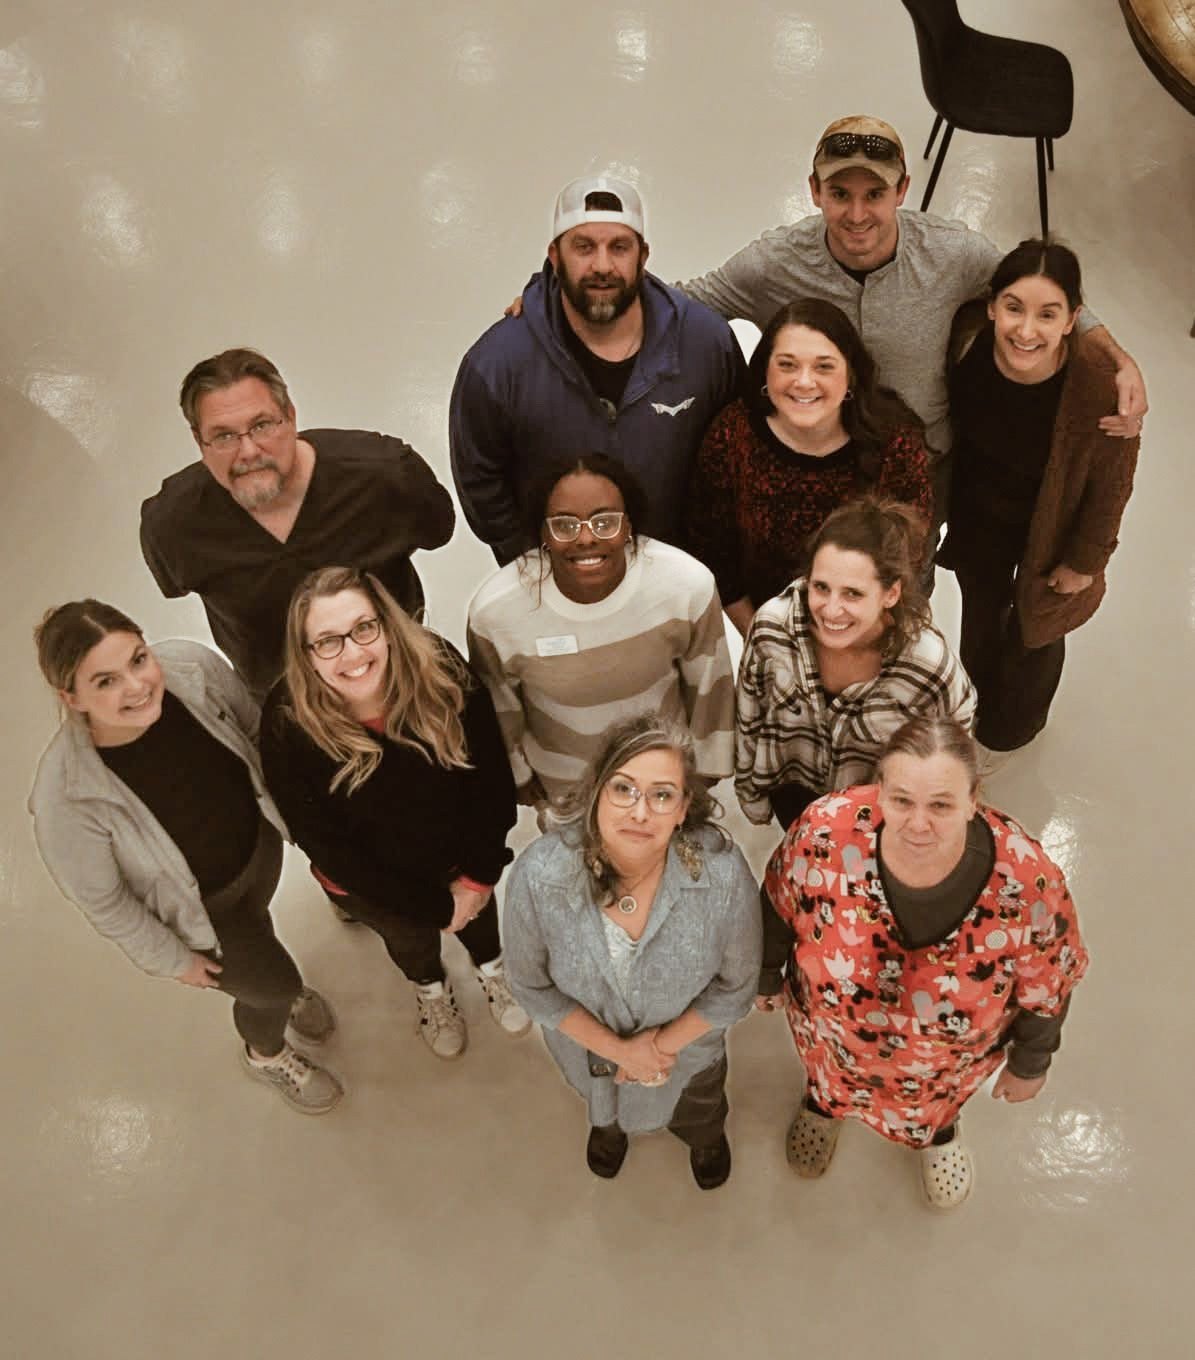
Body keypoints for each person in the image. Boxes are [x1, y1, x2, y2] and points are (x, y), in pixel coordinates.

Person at [758, 715, 1088, 1209]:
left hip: (944, 1069)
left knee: (937, 1106)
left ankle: (939, 1134)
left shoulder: (1027, 881)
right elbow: (778, 903)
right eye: (902, 800)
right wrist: (765, 974)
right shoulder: (824, 833)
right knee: (827, 1078)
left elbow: (1049, 984)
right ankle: (824, 1105)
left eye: (941, 805)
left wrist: (1031, 1063)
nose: (918, 823)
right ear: (879, 788)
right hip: (833, 1042)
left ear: (974, 799)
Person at [28, 601, 343, 1115]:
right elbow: (106, 903)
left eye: (137, 659)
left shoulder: (193, 670)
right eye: (104, 682)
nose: (136, 686)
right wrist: (172, 960)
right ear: (71, 697)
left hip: (255, 855)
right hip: (200, 912)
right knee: (271, 987)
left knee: (258, 926)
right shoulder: (65, 799)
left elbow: (257, 736)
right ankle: (266, 1050)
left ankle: (273, 978)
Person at [679, 114, 1146, 458]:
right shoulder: (774, 262)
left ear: (902, 190)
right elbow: (687, 303)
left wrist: (1116, 358)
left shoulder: (952, 253)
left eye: (875, 195)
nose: (857, 216)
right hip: (817, 461)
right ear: (814, 190)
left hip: (927, 459)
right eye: (840, 194)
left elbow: (1040, 293)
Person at [259, 566, 528, 1061]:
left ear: (386, 624)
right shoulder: (286, 721)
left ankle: (492, 969)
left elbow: (490, 777)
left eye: (364, 628)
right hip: (372, 885)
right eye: (328, 641)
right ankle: (431, 991)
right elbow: (323, 842)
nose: (354, 654)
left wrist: (478, 875)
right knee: (411, 946)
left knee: (481, 923)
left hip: (457, 858)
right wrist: (431, 909)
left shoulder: (440, 668)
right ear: (305, 655)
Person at [503, 716, 761, 1189]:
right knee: (603, 1103)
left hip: (690, 1053)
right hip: (590, 1054)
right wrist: (619, 1051)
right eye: (624, 789)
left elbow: (736, 990)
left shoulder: (722, 875)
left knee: (700, 1107)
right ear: (597, 791)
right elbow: (530, 986)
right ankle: (608, 1130)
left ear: (684, 808)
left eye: (662, 795)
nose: (641, 812)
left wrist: (655, 1052)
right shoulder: (539, 876)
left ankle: (704, 1139)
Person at [450, 174, 743, 565]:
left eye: (619, 247)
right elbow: (481, 482)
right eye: (584, 247)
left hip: (678, 578)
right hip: (557, 582)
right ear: (555, 257)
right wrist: (533, 564)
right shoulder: (496, 365)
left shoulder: (706, 343)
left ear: (643, 256)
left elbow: (739, 450)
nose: (602, 265)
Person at [141, 347, 455, 701]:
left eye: (261, 426)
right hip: (284, 711)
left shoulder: (386, 476)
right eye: (225, 436)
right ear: (199, 441)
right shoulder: (173, 523)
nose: (248, 452)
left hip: (405, 685)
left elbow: (438, 530)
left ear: (290, 417)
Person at [939, 239, 1140, 765]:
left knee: (1037, 630)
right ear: (991, 307)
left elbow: (1112, 487)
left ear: (1073, 319)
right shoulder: (967, 347)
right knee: (981, 618)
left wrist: (1085, 562)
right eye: (1014, 308)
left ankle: (1016, 724)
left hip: (1049, 535)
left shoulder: (1098, 389)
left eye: (1047, 314)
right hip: (979, 524)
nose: (1027, 331)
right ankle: (977, 703)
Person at [467, 453, 735, 808]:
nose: (586, 539)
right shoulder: (496, 612)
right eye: (564, 525)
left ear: (630, 526)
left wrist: (702, 774)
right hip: (567, 793)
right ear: (542, 533)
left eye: (605, 522)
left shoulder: (686, 586)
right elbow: (501, 711)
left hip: (664, 786)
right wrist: (517, 777)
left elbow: (709, 690)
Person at [687, 297, 931, 635]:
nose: (803, 382)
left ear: (851, 375)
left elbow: (905, 561)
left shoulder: (895, 443)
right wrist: (767, 643)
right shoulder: (732, 435)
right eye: (787, 364)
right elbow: (715, 554)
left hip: (869, 633)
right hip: (768, 630)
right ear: (764, 371)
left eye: (824, 366)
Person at [736, 497, 975, 830]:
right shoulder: (772, 630)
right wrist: (751, 792)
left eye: (853, 594)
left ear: (890, 594)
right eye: (821, 587)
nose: (831, 610)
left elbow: (952, 758)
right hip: (793, 788)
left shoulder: (929, 670)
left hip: (877, 812)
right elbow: (750, 715)